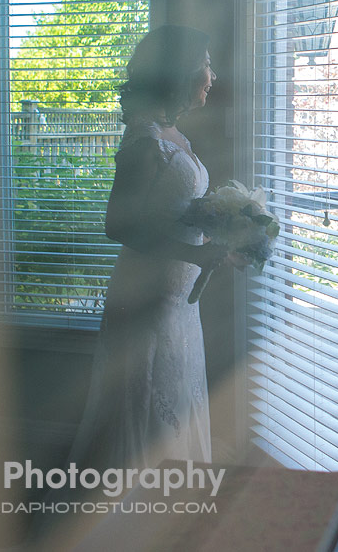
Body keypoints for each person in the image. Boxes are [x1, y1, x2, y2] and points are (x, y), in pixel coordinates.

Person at [65, 25, 227, 476]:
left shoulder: (171, 131)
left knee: (177, 402)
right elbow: (117, 224)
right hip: (146, 302)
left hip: (176, 304)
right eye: (206, 64)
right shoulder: (144, 137)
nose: (212, 76)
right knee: (144, 411)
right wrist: (194, 255)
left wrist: (218, 233)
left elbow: (164, 212)